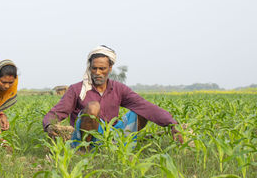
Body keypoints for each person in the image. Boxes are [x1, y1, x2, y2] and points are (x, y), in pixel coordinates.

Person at [43, 45, 183, 147]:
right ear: (89, 68)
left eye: (102, 69)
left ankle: (121, 145)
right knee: (93, 107)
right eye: (94, 68)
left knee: (141, 111)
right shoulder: (77, 89)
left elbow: (144, 106)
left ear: (109, 68)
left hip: (112, 134)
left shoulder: (118, 89)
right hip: (84, 139)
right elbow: (56, 112)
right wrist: (49, 125)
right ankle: (84, 150)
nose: (97, 72)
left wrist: (172, 124)